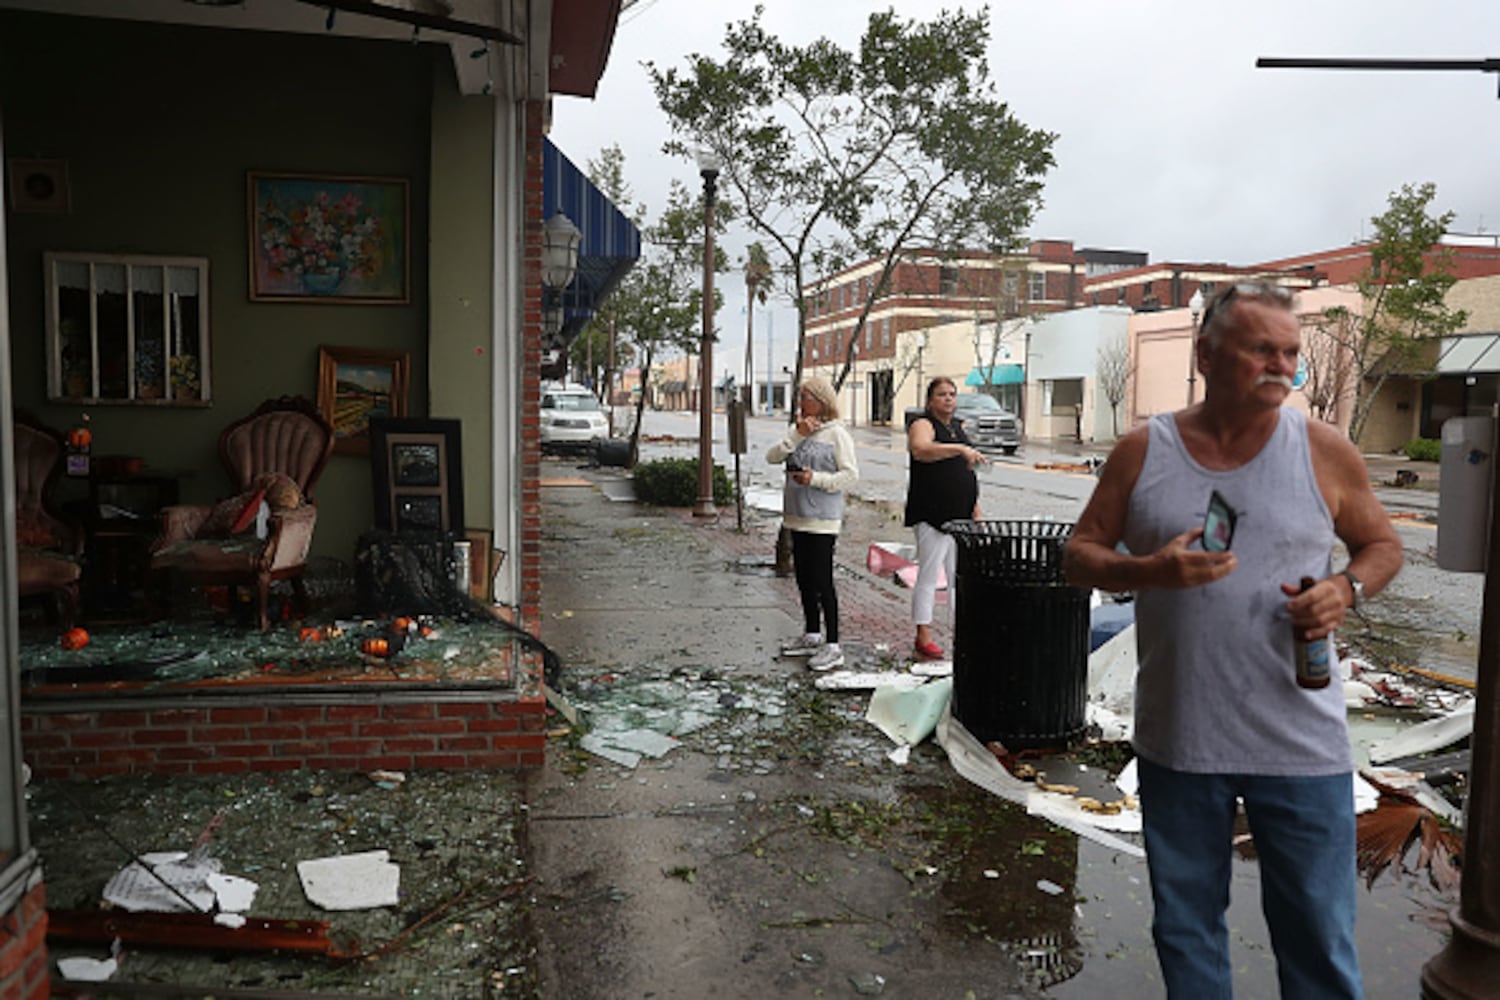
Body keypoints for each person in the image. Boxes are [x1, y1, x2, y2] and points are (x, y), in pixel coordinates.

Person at [1061, 282, 1402, 998]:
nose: (1281, 366)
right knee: (1187, 934)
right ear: (1206, 355)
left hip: (1301, 745)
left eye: (1290, 353)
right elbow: (1078, 556)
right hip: (1180, 740)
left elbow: (1381, 546)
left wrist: (1347, 589)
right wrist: (1147, 569)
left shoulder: (1324, 451)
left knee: (1317, 939)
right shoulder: (1141, 451)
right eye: (1261, 350)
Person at [766, 376, 859, 671]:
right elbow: (772, 456)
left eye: (806, 396)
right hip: (797, 515)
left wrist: (814, 479)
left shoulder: (837, 435)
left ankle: (833, 644)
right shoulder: (800, 431)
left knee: (822, 579)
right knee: (804, 577)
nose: (800, 402)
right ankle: (812, 634)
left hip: (823, 519)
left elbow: (850, 476)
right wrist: (796, 434)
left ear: (821, 401)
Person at [904, 377, 986, 659]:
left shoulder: (957, 428)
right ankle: (922, 634)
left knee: (958, 578)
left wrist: (977, 513)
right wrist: (959, 449)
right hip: (932, 513)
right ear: (930, 400)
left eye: (952, 394)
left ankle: (960, 631)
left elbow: (968, 474)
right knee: (928, 575)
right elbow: (921, 450)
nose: (949, 399)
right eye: (942, 394)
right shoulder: (923, 425)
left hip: (960, 515)